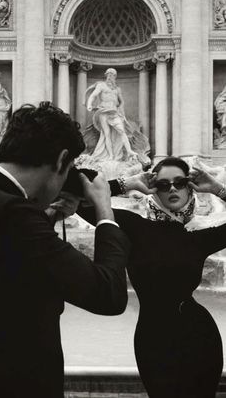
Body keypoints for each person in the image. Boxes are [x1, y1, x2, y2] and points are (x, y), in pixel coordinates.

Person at [0, 101, 130, 398]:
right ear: (62, 160)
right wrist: (105, 212)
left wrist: (48, 218)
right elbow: (109, 294)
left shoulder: (8, 209)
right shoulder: (16, 216)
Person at [56, 156, 226, 398]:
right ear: (154, 190)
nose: (173, 189)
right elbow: (74, 192)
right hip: (153, 339)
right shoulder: (133, 227)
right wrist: (129, 183)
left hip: (200, 335)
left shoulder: (199, 238)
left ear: (190, 187)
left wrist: (216, 188)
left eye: (180, 182)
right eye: (163, 184)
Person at [84, 68, 138, 161]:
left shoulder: (117, 89)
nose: (110, 77)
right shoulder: (101, 85)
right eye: (108, 75)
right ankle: (111, 156)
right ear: (106, 76)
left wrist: (121, 111)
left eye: (112, 75)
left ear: (115, 77)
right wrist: (89, 104)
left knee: (122, 131)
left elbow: (121, 101)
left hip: (114, 113)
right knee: (107, 134)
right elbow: (93, 95)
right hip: (103, 112)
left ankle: (129, 151)